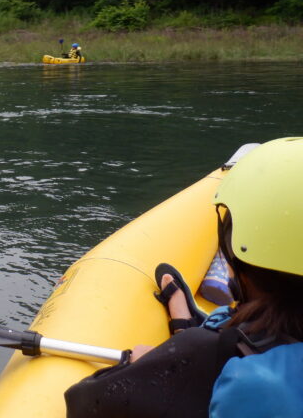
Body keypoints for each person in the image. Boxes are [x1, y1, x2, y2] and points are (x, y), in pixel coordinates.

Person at [65, 137, 303, 418]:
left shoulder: (235, 371)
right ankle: (196, 325)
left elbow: (84, 405)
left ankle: (189, 327)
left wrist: (148, 367)